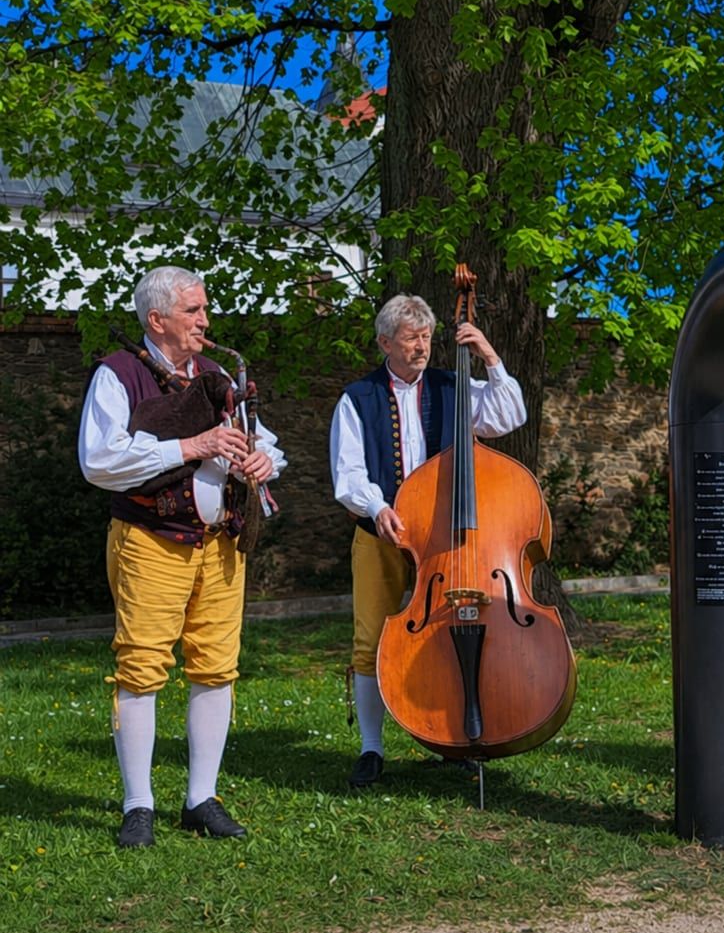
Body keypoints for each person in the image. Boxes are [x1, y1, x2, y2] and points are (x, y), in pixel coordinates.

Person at [79, 265, 285, 848]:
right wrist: (191, 445)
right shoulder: (118, 375)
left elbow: (264, 440)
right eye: (193, 310)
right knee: (142, 668)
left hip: (220, 545)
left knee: (217, 668)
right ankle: (138, 805)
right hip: (151, 541)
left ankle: (201, 798)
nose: (205, 320)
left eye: (204, 309)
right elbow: (99, 461)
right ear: (157, 319)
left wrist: (265, 460)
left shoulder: (216, 375)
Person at [330, 293, 527, 788]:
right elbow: (347, 472)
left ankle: (451, 736)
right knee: (370, 639)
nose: (421, 347)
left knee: (447, 630)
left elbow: (510, 416)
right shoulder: (358, 397)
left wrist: (489, 356)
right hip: (381, 533)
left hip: (444, 541)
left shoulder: (452, 385)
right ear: (385, 343)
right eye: (410, 339)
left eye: (426, 337)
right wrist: (377, 508)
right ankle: (371, 748)